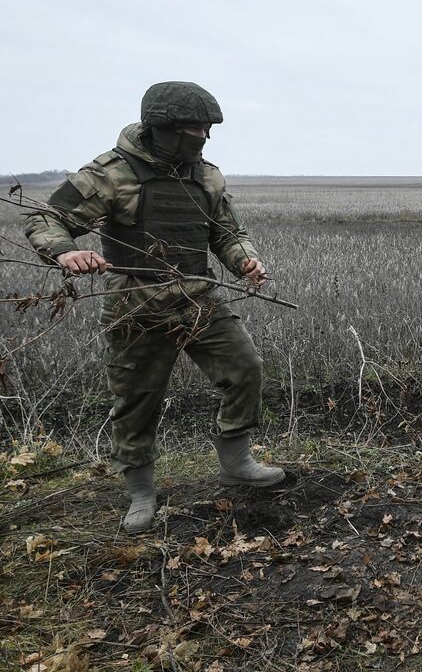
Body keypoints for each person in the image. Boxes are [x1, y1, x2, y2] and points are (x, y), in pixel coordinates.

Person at [22, 81, 283, 533]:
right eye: (190, 129)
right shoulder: (110, 174)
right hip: (134, 305)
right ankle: (141, 491)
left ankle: (236, 462)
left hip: (197, 298)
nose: (200, 137)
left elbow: (225, 231)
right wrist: (65, 252)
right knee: (137, 400)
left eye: (206, 129)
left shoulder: (206, 176)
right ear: (159, 127)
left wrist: (245, 260)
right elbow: (46, 218)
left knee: (245, 368)